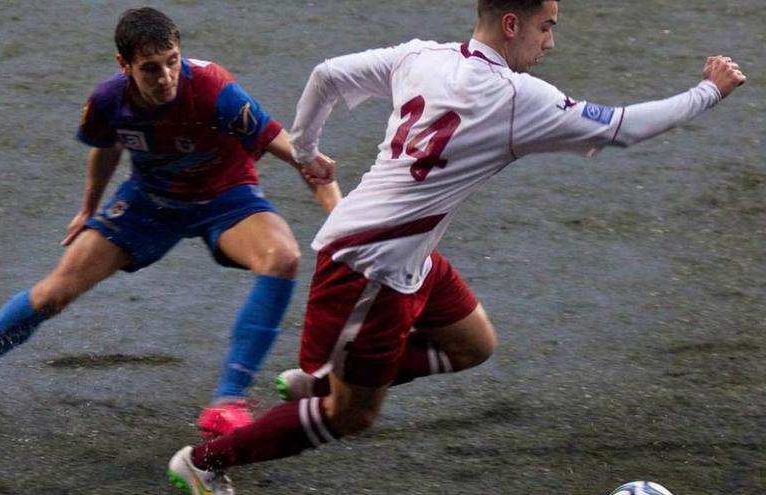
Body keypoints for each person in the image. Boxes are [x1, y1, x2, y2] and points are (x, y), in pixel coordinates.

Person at [164, 0, 747, 492]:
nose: (551, 41)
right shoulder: (519, 97)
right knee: (354, 415)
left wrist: (309, 149)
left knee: (473, 344)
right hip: (372, 267)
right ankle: (204, 464)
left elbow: (327, 75)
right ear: (512, 24)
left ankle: (322, 378)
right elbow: (625, 126)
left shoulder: (423, 55)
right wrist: (708, 90)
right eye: (547, 26)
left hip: (408, 255)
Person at [0, 7, 341, 438]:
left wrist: (342, 222)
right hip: (148, 203)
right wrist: (88, 207)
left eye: (172, 61)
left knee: (283, 257)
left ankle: (227, 401)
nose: (166, 76)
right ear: (125, 65)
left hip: (226, 199)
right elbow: (106, 147)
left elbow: (306, 161)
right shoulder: (108, 100)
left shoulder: (215, 89)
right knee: (53, 294)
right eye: (151, 68)